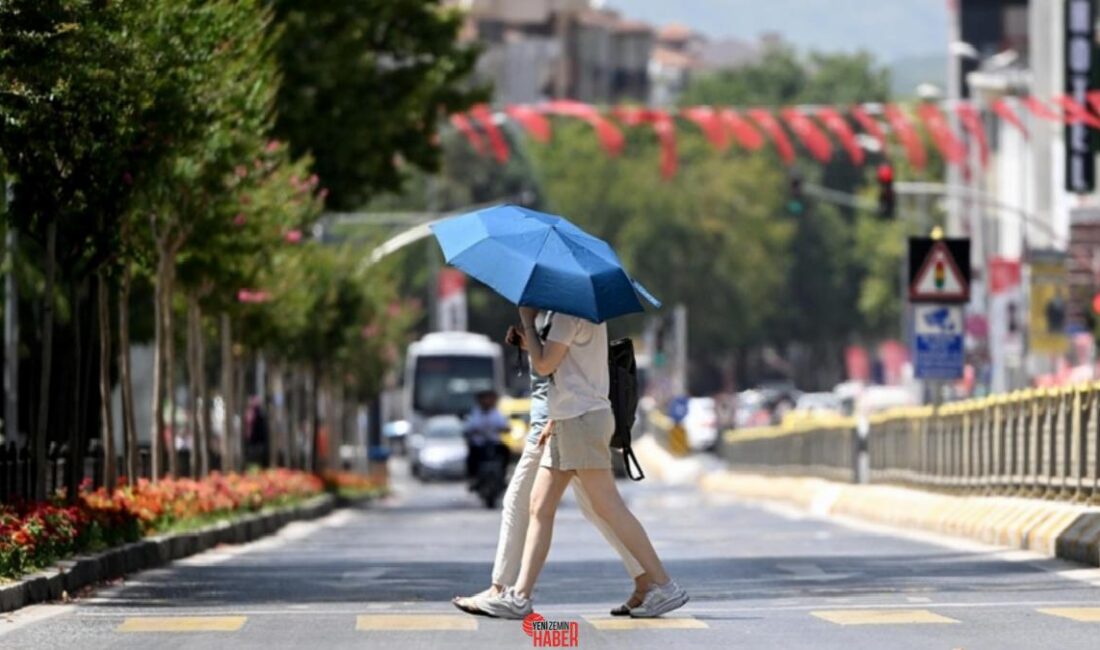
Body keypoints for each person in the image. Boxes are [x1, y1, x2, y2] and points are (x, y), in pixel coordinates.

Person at [476, 308, 687, 619]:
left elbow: (546, 364)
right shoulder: (580, 313)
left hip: (581, 419)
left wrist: (527, 325)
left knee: (608, 507)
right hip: (566, 419)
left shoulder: (567, 315)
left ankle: (664, 585)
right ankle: (520, 597)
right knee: (539, 505)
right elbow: (565, 364)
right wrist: (530, 341)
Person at [464, 390, 510, 485]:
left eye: (489, 398)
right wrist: (473, 431)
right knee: (471, 457)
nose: (487, 401)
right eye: (484, 399)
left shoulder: (496, 413)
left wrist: (504, 429)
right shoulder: (474, 413)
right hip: (479, 444)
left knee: (506, 451)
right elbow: (468, 428)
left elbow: (505, 426)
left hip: (494, 443)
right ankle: (473, 478)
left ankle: (503, 476)